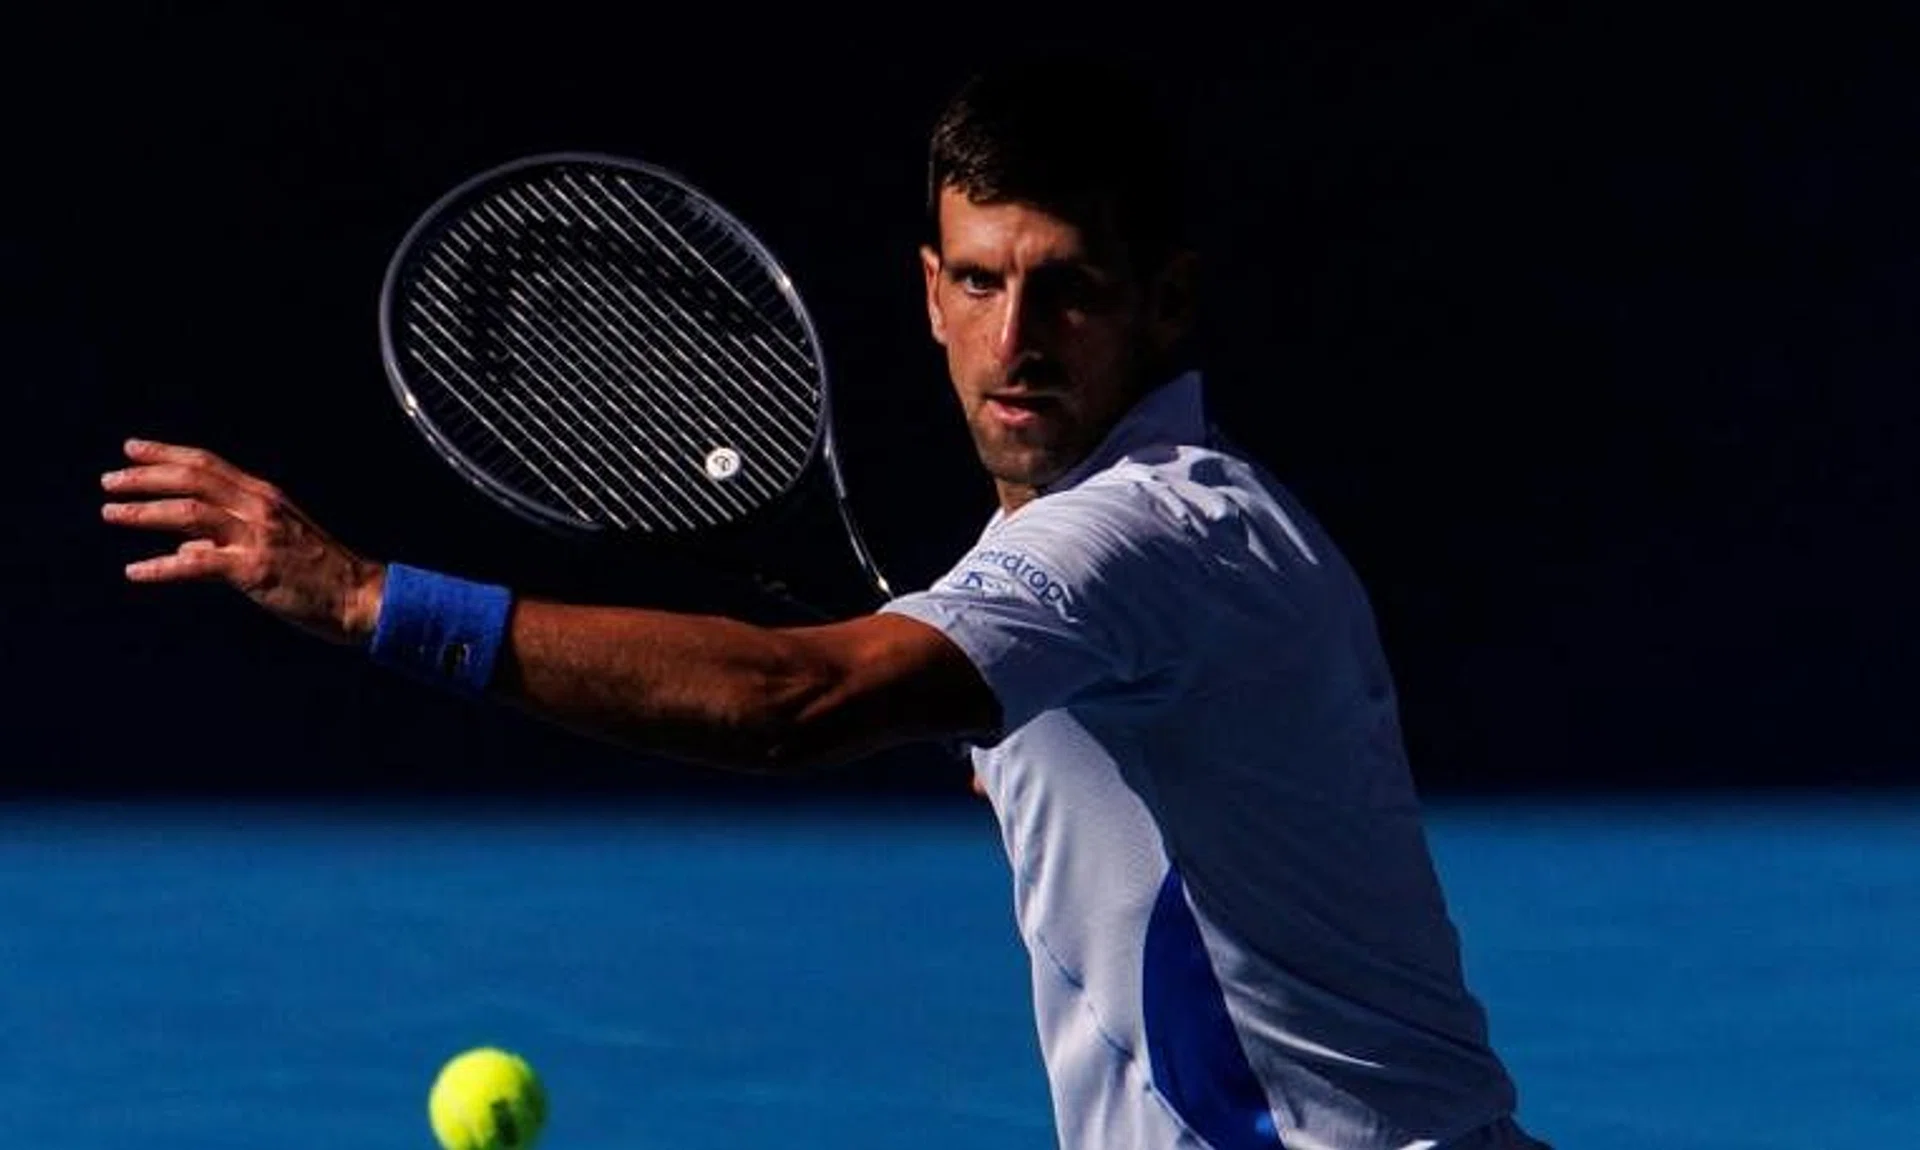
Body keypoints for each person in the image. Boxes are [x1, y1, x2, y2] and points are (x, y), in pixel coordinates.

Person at [99, 54, 1548, 1150]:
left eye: (1070, 289)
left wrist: (370, 598)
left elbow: (789, 702)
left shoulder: (1144, 536)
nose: (1016, 337)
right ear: (928, 292)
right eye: (979, 282)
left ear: (1167, 302)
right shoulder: (1148, 548)